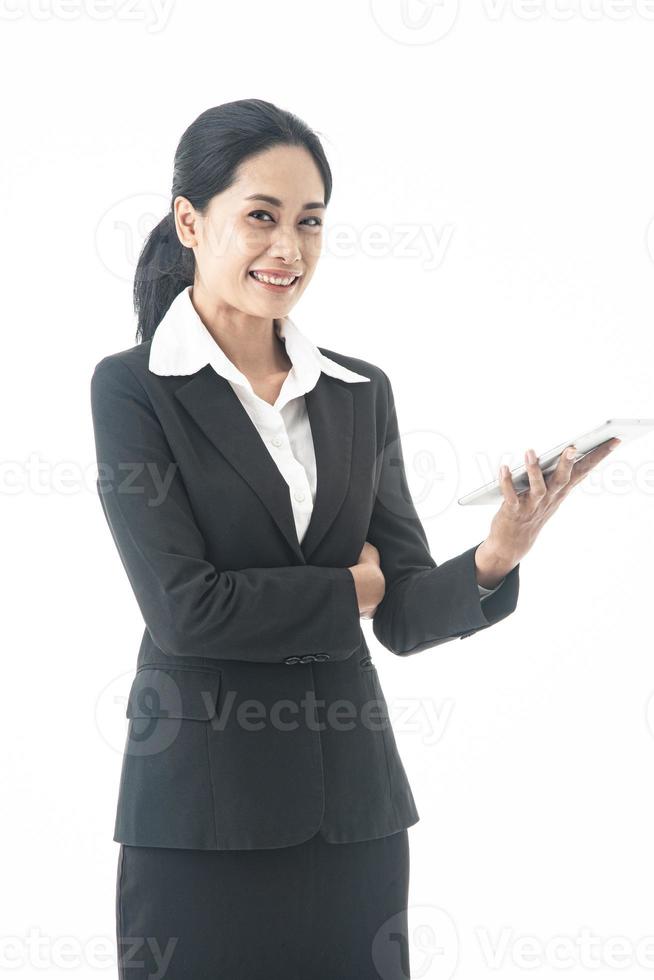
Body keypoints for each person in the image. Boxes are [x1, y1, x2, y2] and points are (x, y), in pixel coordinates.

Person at [90, 99, 619, 980]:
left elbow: (405, 611)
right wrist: (350, 591)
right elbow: (187, 612)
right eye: (260, 216)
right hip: (200, 815)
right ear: (191, 220)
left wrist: (500, 551)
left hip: (355, 813)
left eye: (310, 223)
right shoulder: (134, 389)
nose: (287, 249)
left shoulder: (357, 390)